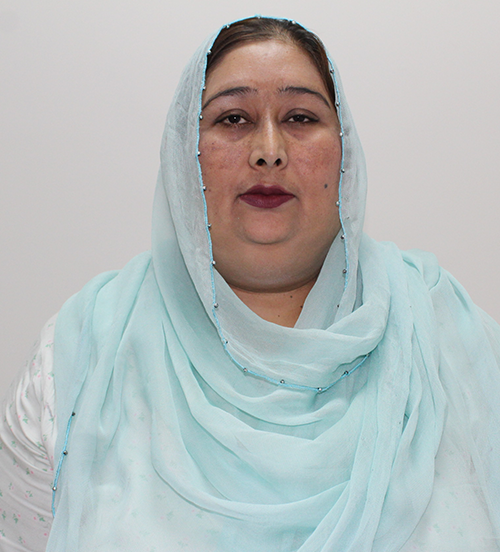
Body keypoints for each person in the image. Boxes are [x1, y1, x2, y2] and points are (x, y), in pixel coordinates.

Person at [1, 16, 499, 552]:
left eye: (300, 117)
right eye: (233, 118)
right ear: (183, 151)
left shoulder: (449, 339)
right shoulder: (75, 362)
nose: (269, 150)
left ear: (345, 149)